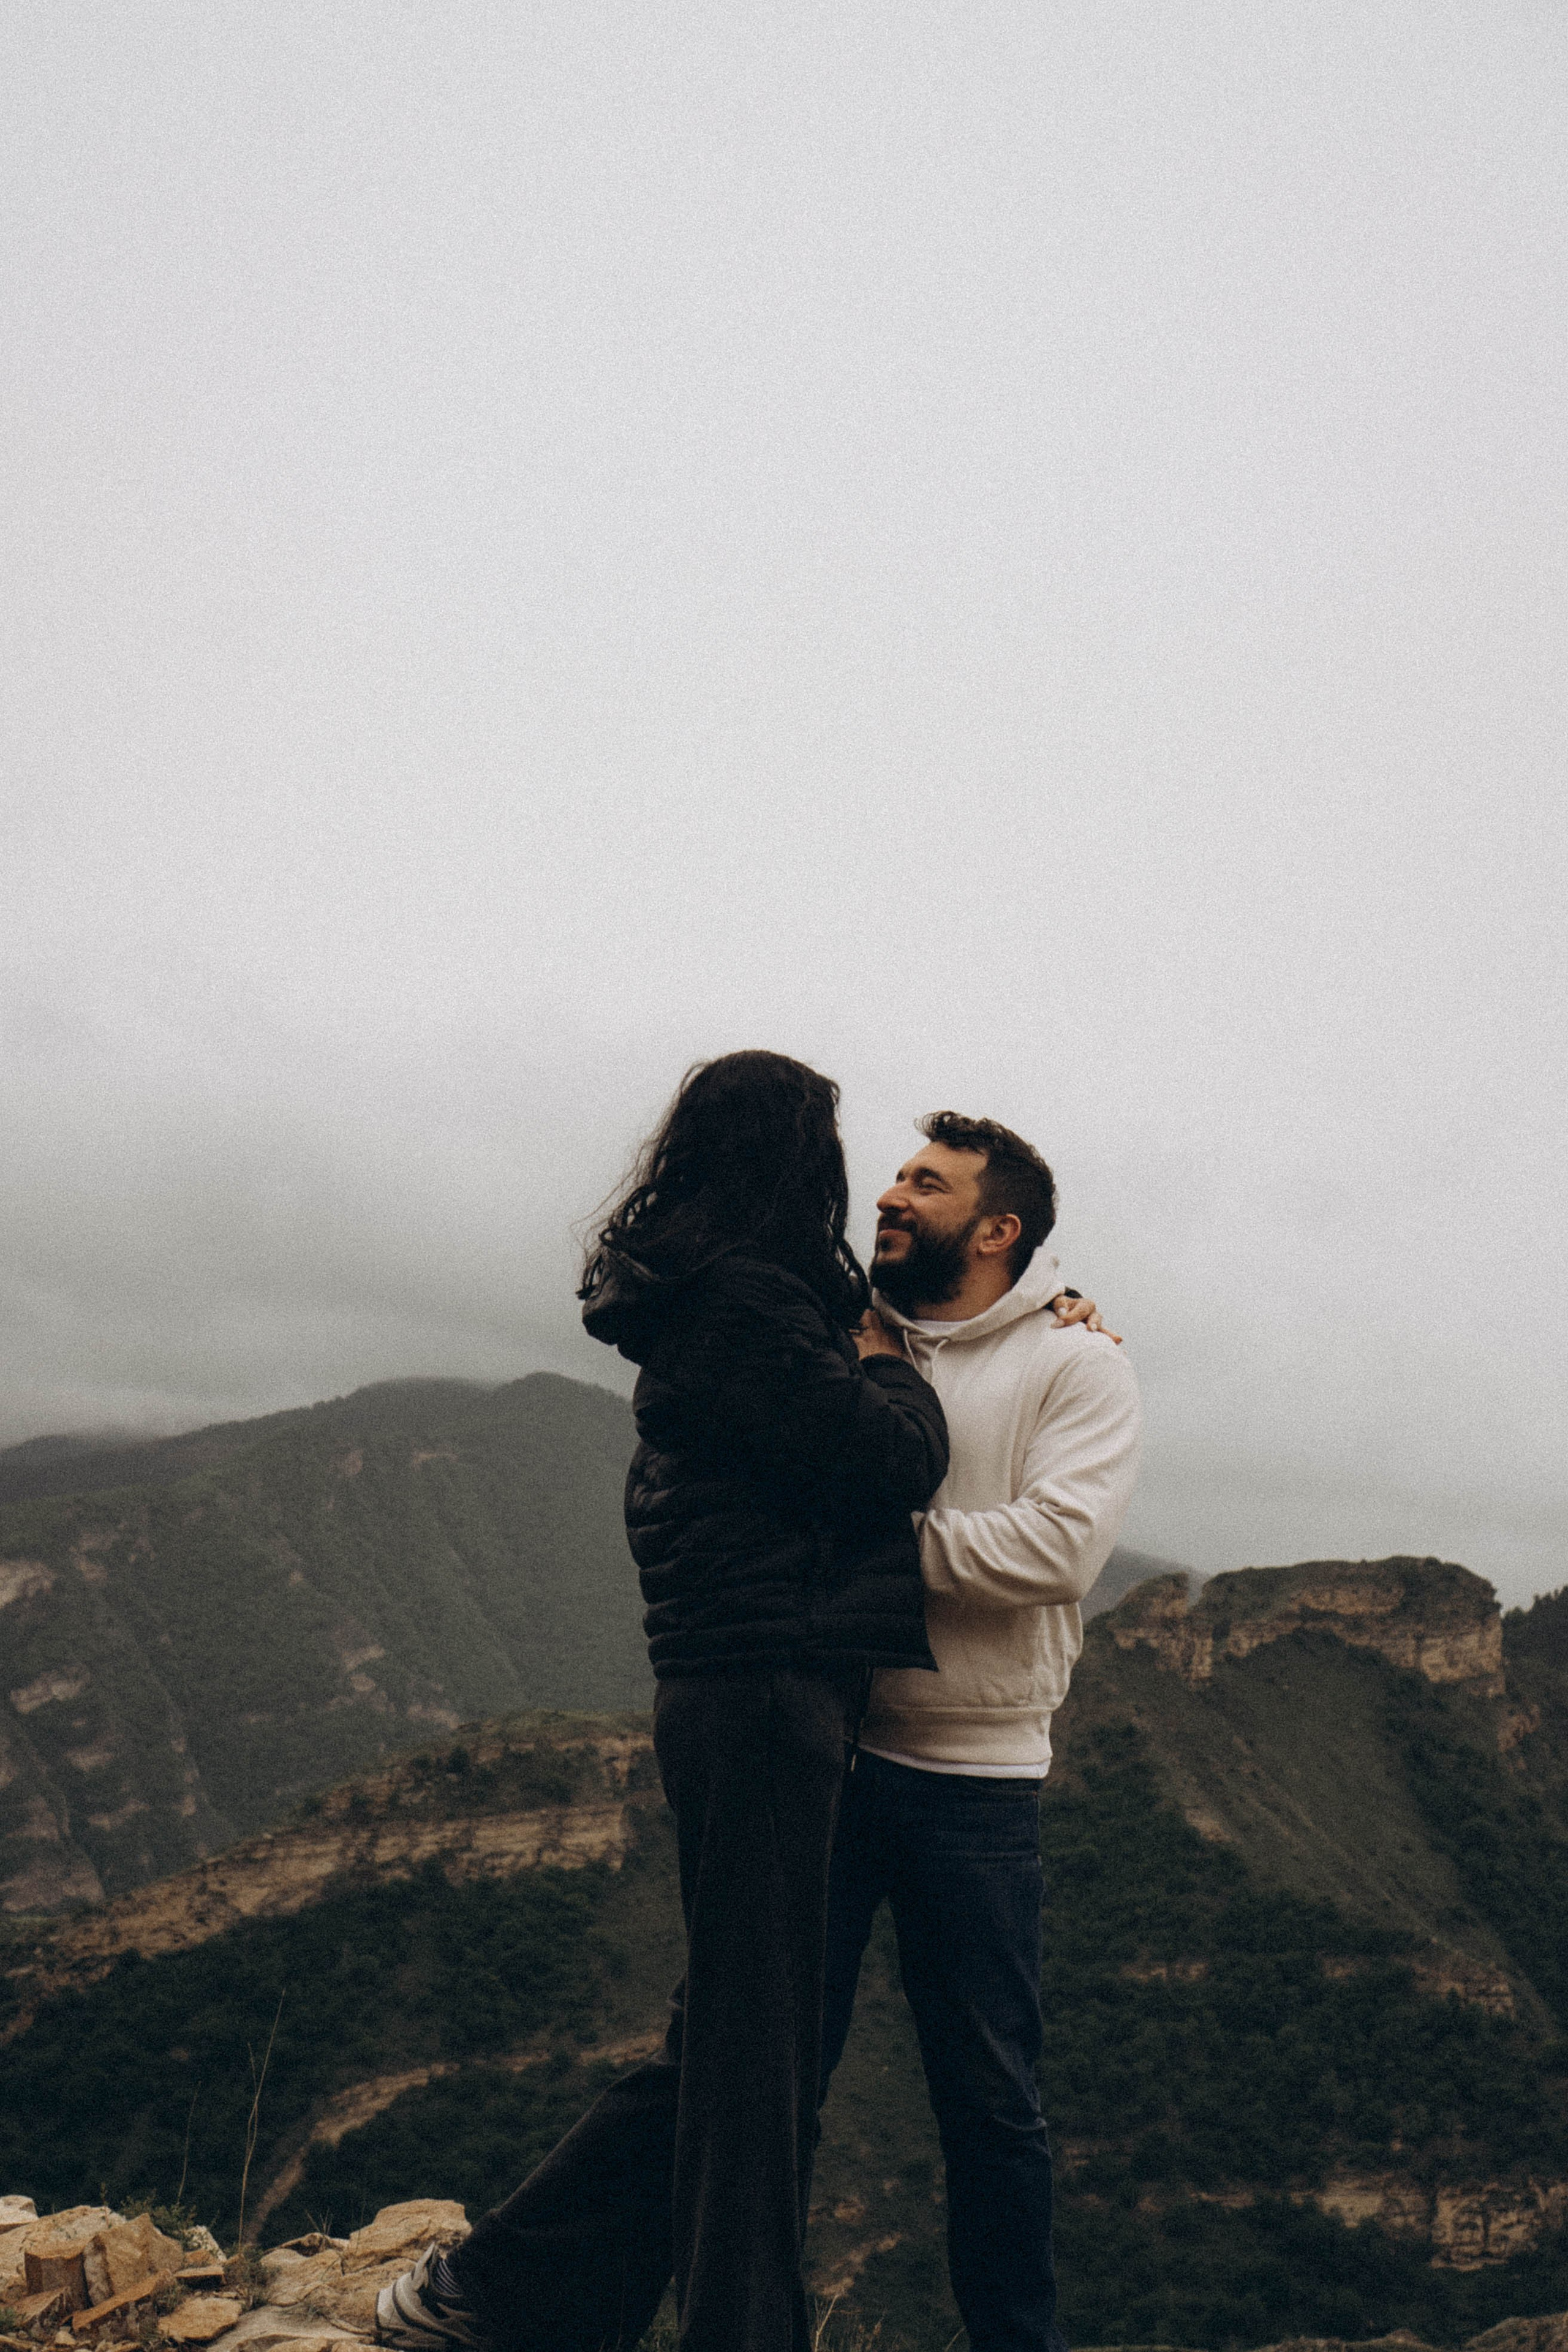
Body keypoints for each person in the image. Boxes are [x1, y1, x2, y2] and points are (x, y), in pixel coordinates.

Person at [376, 1051, 950, 2352]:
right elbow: (888, 1460)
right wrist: (890, 1368)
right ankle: (698, 2327)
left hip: (751, 1688)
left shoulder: (722, 1291)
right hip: (762, 1692)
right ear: (792, 1155)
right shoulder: (746, 1299)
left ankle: (503, 2293)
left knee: (738, 2037)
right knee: (754, 2054)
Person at [816, 1111, 1142, 2352]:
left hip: (975, 1785)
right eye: (897, 1176)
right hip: (828, 1754)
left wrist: (865, 1553)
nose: (890, 1197)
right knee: (772, 2076)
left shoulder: (1076, 1364)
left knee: (990, 2104)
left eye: (926, 1184)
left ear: (998, 1230)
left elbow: (1057, 1551)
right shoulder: (849, 1327)